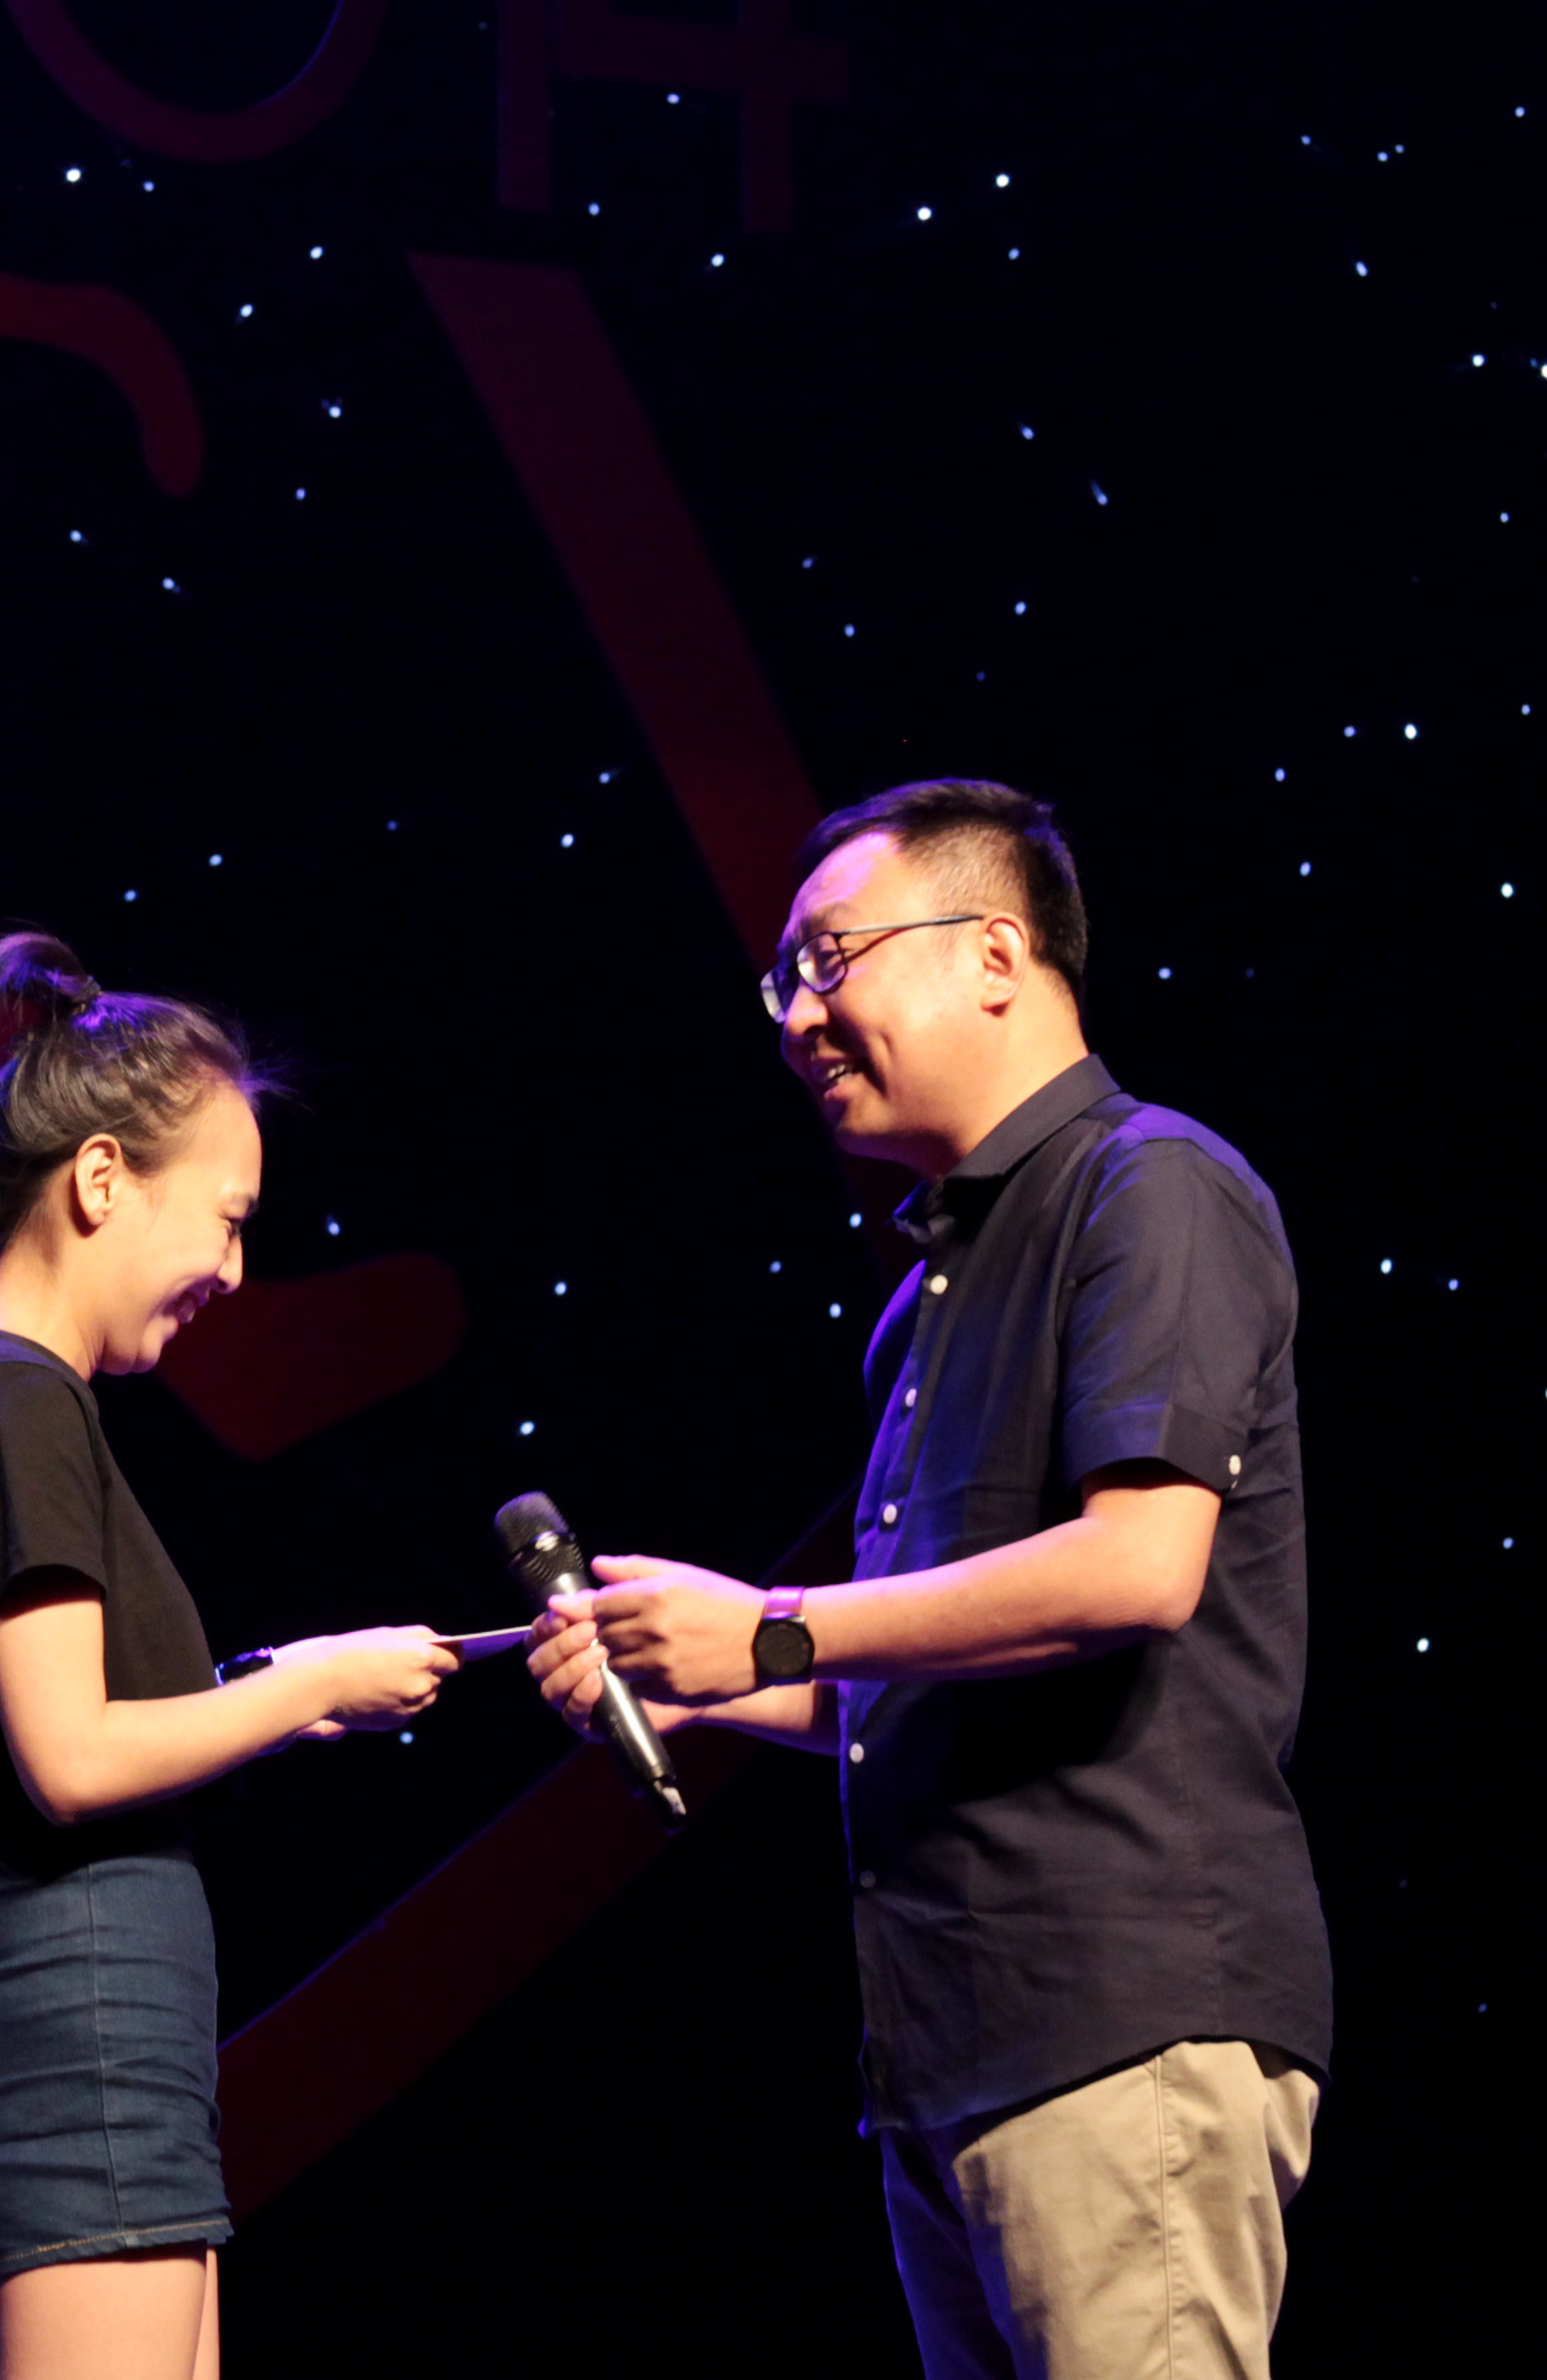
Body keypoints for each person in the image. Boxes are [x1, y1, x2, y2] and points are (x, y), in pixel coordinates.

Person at [530, 779, 1333, 2380]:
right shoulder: (924, 1301)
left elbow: (1139, 1567)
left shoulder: (1150, 1185)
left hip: (1116, 2014)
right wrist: (704, 1683)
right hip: (950, 2047)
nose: (797, 1017)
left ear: (997, 953)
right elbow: (924, 1679)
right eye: (781, 982)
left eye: (828, 960)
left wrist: (771, 1631)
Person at [0, 934, 456, 2380]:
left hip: (107, 2063)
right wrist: (308, 1685)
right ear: (104, 1179)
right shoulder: (12, 1404)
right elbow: (71, 1759)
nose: (235, 1273)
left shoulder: (0, 1399)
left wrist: (273, 1696)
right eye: (228, 1222)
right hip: (77, 2058)